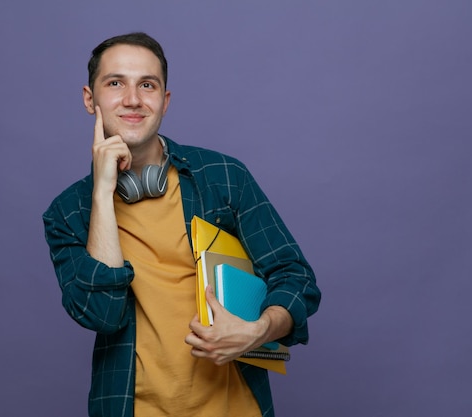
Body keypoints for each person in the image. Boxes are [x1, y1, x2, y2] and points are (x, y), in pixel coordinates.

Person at [43, 32, 321, 417]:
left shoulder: (224, 177)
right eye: (115, 83)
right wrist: (103, 193)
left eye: (147, 85)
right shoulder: (68, 213)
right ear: (90, 99)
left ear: (165, 101)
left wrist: (258, 330)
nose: (133, 99)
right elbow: (102, 315)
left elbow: (297, 279)